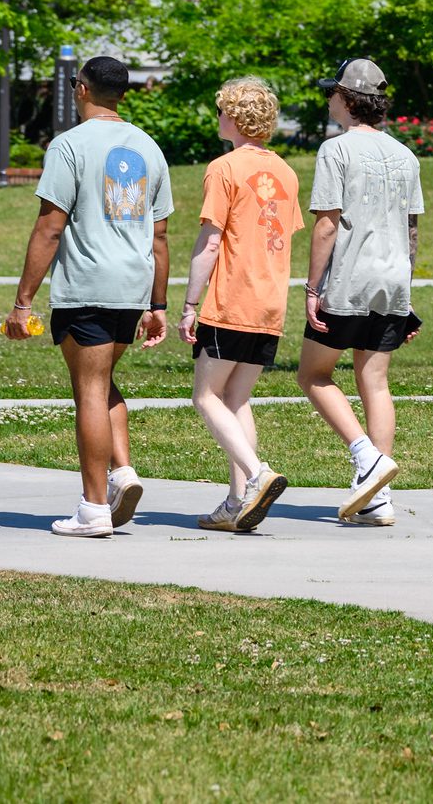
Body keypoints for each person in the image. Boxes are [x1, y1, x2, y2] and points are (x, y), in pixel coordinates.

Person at [6, 55, 171, 537]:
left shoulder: (69, 145)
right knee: (102, 381)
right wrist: (157, 305)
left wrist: (22, 302)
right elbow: (160, 237)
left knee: (90, 391)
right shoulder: (149, 147)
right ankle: (122, 474)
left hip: (88, 285)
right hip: (133, 285)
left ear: (81, 89)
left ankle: (94, 508)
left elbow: (49, 228)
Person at [298, 58, 422, 526]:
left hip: (349, 279)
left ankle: (366, 457)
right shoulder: (406, 155)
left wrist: (313, 287)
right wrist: (405, 295)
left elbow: (327, 224)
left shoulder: (336, 150)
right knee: (375, 381)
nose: (328, 98)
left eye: (331, 91)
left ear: (348, 100)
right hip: (392, 281)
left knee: (312, 375)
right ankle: (378, 499)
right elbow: (411, 229)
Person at [179, 78, 300, 532]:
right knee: (237, 397)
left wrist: (190, 304)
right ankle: (236, 504)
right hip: (270, 303)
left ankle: (256, 475)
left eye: (220, 111)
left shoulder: (223, 167)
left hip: (231, 299)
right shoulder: (286, 172)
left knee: (205, 396)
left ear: (232, 116)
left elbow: (211, 241)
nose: (218, 118)